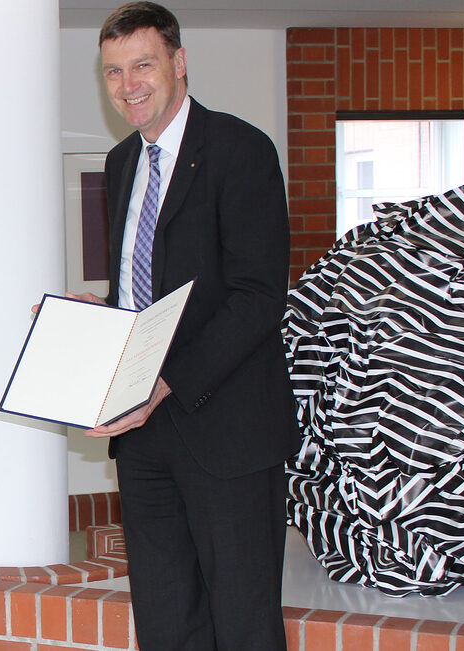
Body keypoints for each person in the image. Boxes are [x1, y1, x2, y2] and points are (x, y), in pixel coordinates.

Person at [83, 3, 299, 649]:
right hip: (142, 438)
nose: (128, 85)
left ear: (179, 63)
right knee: (165, 619)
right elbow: (146, 292)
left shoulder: (240, 150)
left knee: (242, 624)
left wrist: (167, 381)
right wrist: (99, 318)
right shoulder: (121, 164)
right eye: (113, 71)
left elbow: (259, 298)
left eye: (142, 64)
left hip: (227, 432)